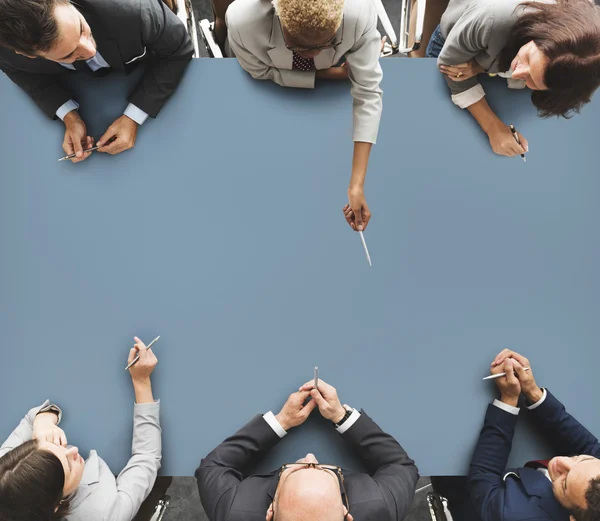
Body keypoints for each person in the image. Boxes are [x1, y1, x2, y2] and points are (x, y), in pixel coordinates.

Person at [220, 0, 383, 233]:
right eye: (298, 46)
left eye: (328, 42)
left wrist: (356, 187)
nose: (314, 53)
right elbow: (260, 71)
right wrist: (330, 74)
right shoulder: (243, 22)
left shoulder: (360, 13)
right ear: (278, 17)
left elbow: (368, 93)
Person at [196, 378, 419, 521]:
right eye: (325, 469)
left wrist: (282, 421)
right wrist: (341, 416)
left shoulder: (237, 512)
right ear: (346, 514)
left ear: (270, 511)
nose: (310, 456)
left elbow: (213, 467)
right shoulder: (377, 507)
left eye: (296, 468)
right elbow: (400, 466)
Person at [0, 0, 193, 162]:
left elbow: (178, 49)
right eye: (69, 54)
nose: (90, 50)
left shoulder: (133, 11)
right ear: (26, 54)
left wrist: (134, 116)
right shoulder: (9, 55)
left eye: (81, 29)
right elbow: (21, 72)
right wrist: (69, 115)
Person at [0, 337, 161, 521]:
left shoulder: (7, 475)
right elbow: (146, 457)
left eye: (55, 447)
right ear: (55, 506)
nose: (73, 450)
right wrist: (141, 382)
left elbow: (31, 420)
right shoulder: (104, 514)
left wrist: (43, 421)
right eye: (68, 466)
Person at [426, 0, 600, 158]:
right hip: (457, 40)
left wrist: (482, 67)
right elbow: (451, 67)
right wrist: (492, 127)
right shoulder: (492, 18)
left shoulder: (586, 49)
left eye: (533, 79)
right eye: (529, 60)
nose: (516, 74)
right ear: (539, 34)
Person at [468, 348, 600, 521]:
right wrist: (533, 392)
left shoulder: (514, 514)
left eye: (565, 482)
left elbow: (483, 475)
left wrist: (508, 400)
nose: (561, 460)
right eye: (582, 459)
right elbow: (587, 447)